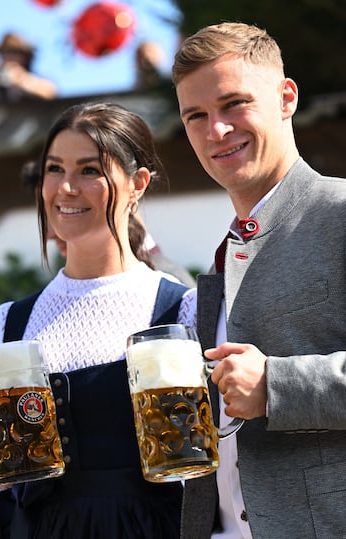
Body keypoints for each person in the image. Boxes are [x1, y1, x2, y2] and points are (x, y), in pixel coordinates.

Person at [0, 101, 197, 538]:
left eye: (89, 170)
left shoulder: (183, 310)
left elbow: (216, 471)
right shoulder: (5, 325)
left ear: (137, 183)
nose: (65, 187)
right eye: (54, 169)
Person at [172, 21, 346, 539]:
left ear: (286, 97)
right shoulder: (226, 252)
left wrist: (276, 385)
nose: (215, 131)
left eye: (233, 104)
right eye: (196, 116)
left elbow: (263, 386)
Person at [21, 159, 195, 285]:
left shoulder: (169, 288)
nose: (49, 234)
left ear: (134, 188)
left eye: (70, 210)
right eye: (56, 210)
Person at [0, 32, 57, 104]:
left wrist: (22, 80)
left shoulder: (35, 80)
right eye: (4, 53)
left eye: (14, 53)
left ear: (26, 56)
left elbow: (50, 93)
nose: (8, 58)